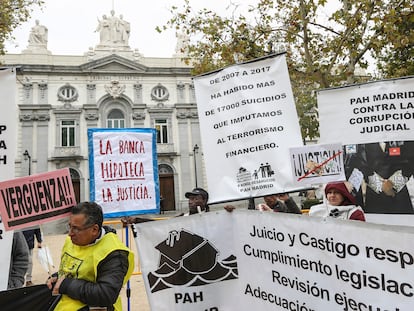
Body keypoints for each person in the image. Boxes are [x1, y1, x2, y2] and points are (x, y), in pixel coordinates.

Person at [46, 201, 134, 310]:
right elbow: (73, 270)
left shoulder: (114, 253)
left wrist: (66, 285)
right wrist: (57, 277)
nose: (70, 233)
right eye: (70, 226)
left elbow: (106, 294)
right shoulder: (72, 241)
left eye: (76, 228)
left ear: (94, 229)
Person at [344, 141, 414, 214]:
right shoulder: (363, 140)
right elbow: (359, 162)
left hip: (399, 194)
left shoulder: (402, 135)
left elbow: (411, 160)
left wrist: (394, 183)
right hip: (374, 195)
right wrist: (380, 186)